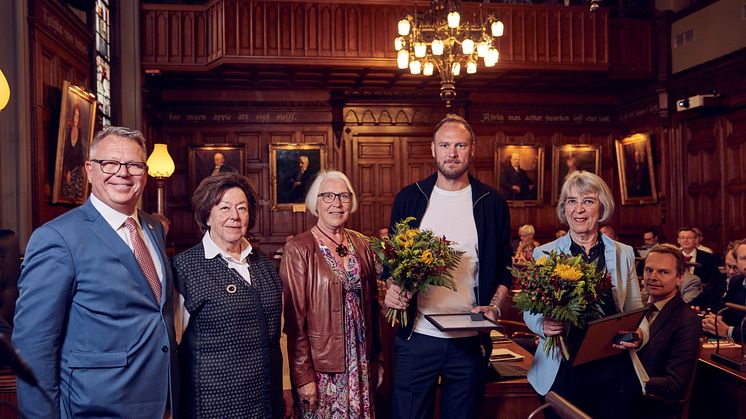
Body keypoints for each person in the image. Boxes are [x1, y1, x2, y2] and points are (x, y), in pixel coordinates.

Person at [13, 126, 179, 418]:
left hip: (159, 401)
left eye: (134, 165)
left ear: (145, 172)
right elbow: (33, 344)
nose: (122, 173)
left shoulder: (153, 228)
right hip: (94, 405)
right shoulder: (58, 237)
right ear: (90, 170)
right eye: (110, 163)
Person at [383, 114, 513, 418]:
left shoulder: (491, 202)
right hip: (417, 337)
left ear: (472, 149)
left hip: (469, 343)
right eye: (445, 145)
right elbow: (391, 264)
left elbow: (506, 268)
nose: (451, 153)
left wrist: (494, 308)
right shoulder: (410, 198)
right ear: (433, 149)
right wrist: (391, 290)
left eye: (459, 145)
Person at [524, 170, 648, 419]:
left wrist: (640, 334)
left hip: (614, 366)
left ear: (601, 208)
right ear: (564, 208)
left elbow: (636, 308)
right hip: (564, 366)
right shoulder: (544, 254)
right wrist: (543, 325)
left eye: (588, 201)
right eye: (572, 201)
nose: (578, 209)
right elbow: (530, 310)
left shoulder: (623, 252)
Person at [172, 172, 284, 418]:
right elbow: (172, 344)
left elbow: (278, 335)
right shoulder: (186, 267)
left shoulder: (264, 265)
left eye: (242, 208)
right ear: (207, 215)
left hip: (266, 402)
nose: (234, 216)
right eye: (224, 208)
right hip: (213, 404)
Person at [281, 171, 382, 418]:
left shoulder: (362, 243)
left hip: (360, 361)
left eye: (343, 196)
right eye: (328, 196)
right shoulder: (299, 248)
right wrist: (303, 376)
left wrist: (376, 358)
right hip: (322, 368)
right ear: (316, 202)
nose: (336, 203)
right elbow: (294, 323)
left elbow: (373, 307)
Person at [636, 245, 702, 419]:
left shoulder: (687, 320)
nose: (653, 277)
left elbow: (674, 385)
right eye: (649, 270)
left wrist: (628, 380)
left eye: (663, 272)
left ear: (680, 278)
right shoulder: (635, 307)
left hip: (650, 408)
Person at [702, 239, 746, 343]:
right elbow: (722, 311)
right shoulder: (736, 282)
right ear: (737, 261)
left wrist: (728, 331)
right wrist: (712, 321)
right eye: (744, 258)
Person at [61, 105, 87, 201]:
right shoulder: (67, 131)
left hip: (77, 168)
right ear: (72, 117)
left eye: (78, 116)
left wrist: (84, 166)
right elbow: (65, 152)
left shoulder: (79, 132)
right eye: (75, 116)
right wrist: (67, 171)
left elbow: (80, 152)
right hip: (68, 167)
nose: (76, 118)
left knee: (78, 196)